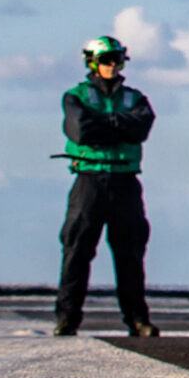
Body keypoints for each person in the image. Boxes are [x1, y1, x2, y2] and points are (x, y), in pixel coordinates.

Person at [56, 35, 158, 339]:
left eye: (117, 59)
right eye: (106, 60)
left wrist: (105, 124)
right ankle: (67, 320)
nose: (113, 65)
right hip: (88, 181)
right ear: (92, 62)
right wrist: (120, 126)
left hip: (124, 181)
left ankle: (137, 320)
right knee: (76, 251)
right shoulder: (76, 96)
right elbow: (81, 131)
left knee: (131, 254)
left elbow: (141, 128)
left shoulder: (135, 98)